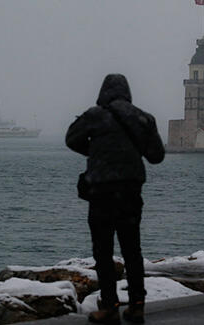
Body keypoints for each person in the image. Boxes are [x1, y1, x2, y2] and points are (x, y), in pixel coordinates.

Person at [66, 74, 165, 324]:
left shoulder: (94, 115)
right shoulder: (143, 118)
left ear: (103, 92)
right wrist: (132, 151)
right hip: (131, 191)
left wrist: (97, 152)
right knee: (132, 249)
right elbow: (156, 156)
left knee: (103, 250)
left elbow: (71, 139)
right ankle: (137, 305)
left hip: (101, 191)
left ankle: (109, 306)